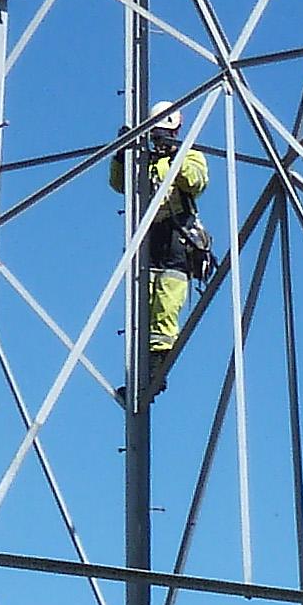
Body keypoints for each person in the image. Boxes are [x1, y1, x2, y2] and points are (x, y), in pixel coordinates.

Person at [108, 104, 215, 392]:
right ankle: (140, 374)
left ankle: (156, 370)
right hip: (149, 235)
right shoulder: (147, 160)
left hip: (178, 237)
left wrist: (174, 154)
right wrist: (122, 154)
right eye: (157, 134)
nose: (160, 139)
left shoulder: (189, 154)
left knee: (166, 301)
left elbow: (196, 181)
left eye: (164, 134)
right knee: (142, 303)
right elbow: (119, 184)